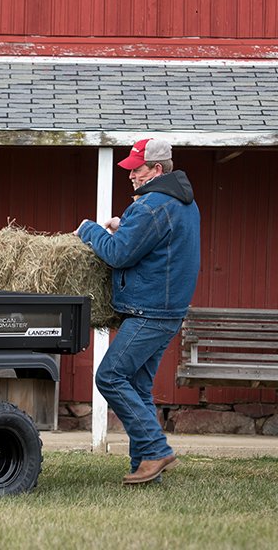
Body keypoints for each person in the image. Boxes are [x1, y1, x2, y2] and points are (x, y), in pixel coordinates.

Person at [75, 138, 201, 485]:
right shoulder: (183, 203)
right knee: (137, 386)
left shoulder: (152, 205)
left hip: (150, 311)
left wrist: (89, 230)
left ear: (157, 169)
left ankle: (157, 450)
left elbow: (118, 255)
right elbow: (155, 245)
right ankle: (145, 469)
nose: (131, 175)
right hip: (168, 309)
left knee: (110, 377)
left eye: (137, 169)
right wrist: (124, 228)